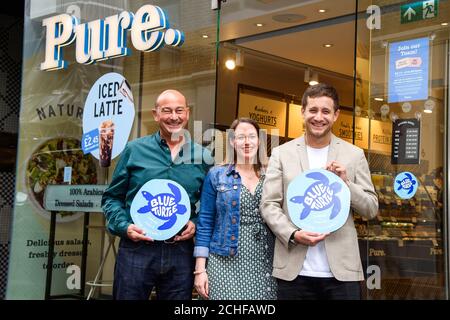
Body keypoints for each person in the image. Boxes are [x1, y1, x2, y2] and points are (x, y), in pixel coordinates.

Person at [260, 83, 378, 300]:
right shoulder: (281, 153)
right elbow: (268, 205)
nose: (318, 117)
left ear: (336, 115)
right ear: (303, 112)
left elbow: (370, 208)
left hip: (342, 273)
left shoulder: (354, 155)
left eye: (326, 111)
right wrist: (293, 234)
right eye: (313, 110)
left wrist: (347, 184)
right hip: (294, 272)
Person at [101, 89, 212, 300]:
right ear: (155, 114)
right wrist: (124, 227)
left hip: (180, 251)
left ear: (187, 114)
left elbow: (208, 205)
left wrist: (195, 223)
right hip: (137, 248)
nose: (174, 116)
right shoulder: (134, 150)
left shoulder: (203, 156)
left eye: (179, 110)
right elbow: (111, 198)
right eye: (167, 111)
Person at [194, 118, 277, 300]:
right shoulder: (216, 175)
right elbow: (205, 222)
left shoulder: (272, 175)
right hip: (223, 261)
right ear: (232, 141)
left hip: (265, 260)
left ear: (259, 140)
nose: (247, 142)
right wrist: (200, 270)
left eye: (251, 137)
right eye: (241, 137)